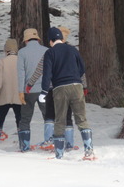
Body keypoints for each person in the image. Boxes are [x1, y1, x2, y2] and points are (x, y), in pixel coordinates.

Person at [26, 26, 87, 150]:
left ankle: (49, 140)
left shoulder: (50, 53)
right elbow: (81, 71)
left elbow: (40, 70)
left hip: (51, 88)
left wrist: (30, 84)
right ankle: (69, 142)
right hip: (72, 87)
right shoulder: (71, 51)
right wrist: (84, 86)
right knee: (67, 115)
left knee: (50, 114)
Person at [40, 27, 94, 159]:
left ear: (51, 41)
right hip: (77, 86)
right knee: (81, 118)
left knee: (60, 119)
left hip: (60, 88)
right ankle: (89, 150)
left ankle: (59, 154)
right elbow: (82, 67)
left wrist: (44, 91)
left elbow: (47, 74)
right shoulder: (72, 49)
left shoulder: (50, 53)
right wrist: (75, 77)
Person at [0, 39, 21, 148]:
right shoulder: (21, 61)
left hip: (4, 96)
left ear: (6, 50)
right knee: (20, 119)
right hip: (18, 96)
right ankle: (23, 143)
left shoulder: (2, 62)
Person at [17, 28, 48, 152]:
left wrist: (20, 91)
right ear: (38, 38)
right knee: (49, 117)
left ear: (25, 40)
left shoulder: (22, 52)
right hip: (45, 90)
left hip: (28, 91)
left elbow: (20, 73)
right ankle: (52, 141)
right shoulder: (46, 50)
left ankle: (24, 145)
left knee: (25, 119)